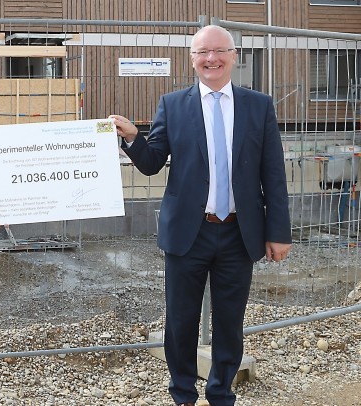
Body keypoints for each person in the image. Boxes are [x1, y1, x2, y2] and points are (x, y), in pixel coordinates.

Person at [110, 25, 292, 406]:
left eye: (219, 51)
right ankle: (182, 395)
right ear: (192, 59)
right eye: (202, 52)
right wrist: (132, 138)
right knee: (180, 322)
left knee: (230, 322)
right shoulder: (173, 104)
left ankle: (221, 393)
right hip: (188, 234)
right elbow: (152, 162)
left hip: (239, 233)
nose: (211, 59)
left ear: (234, 56)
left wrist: (279, 232)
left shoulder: (259, 105)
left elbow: (273, 174)